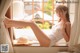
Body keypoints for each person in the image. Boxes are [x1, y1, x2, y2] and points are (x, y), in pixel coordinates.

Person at [4, 5, 71, 47]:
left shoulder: (67, 24)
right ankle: (9, 24)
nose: (58, 14)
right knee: (31, 23)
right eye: (57, 12)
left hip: (49, 42)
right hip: (48, 39)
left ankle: (9, 22)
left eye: (60, 12)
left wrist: (63, 31)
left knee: (32, 24)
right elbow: (54, 33)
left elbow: (68, 40)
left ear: (65, 12)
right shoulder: (59, 22)